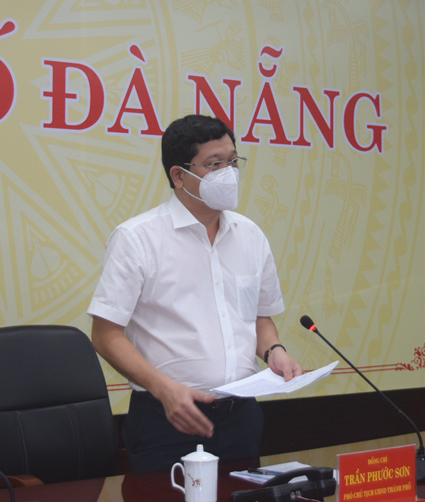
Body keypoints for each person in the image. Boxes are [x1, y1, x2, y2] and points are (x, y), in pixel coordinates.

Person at [88, 114, 302, 472]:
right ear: (178, 175)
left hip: (241, 417)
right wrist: (164, 389)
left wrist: (274, 351)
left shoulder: (251, 236)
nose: (229, 173)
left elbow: (259, 318)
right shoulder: (137, 238)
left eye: (233, 161)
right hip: (167, 418)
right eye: (215, 164)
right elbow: (105, 335)